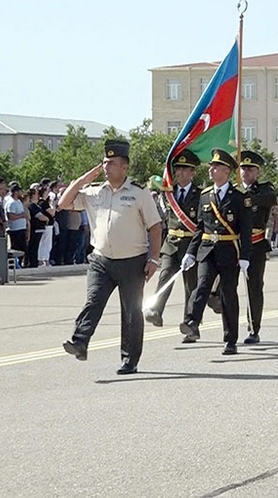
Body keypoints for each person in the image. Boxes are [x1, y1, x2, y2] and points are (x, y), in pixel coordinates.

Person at [59, 139, 162, 375]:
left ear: (125, 167)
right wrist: (82, 180)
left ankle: (130, 360)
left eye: (112, 163)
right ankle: (80, 342)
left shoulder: (138, 193)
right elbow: (64, 203)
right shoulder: (94, 191)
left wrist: (153, 259)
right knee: (93, 301)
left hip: (132, 261)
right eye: (105, 162)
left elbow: (155, 226)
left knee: (131, 312)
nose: (106, 166)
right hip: (101, 260)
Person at [179, 148, 252, 355]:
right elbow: (200, 228)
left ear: (227, 171)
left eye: (216, 166)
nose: (211, 169)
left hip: (230, 251)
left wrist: (245, 256)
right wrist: (191, 252)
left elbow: (245, 230)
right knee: (201, 287)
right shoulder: (205, 196)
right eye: (211, 166)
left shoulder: (240, 197)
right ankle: (192, 321)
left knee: (228, 294)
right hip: (207, 251)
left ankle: (230, 339)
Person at [143, 149, 201, 332]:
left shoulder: (200, 194)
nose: (180, 172)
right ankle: (156, 311)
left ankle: (190, 323)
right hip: (172, 243)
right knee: (165, 275)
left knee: (191, 286)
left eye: (185, 169)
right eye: (178, 169)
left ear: (193, 173)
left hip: (191, 244)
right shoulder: (169, 193)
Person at [237, 150, 277, 344]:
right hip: (233, 243)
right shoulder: (231, 189)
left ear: (257, 172)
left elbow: (271, 198)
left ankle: (254, 327)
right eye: (243, 168)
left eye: (250, 168)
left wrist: (246, 198)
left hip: (255, 244)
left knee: (254, 287)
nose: (246, 172)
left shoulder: (264, 190)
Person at [5, 185, 28, 257]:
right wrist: (21, 216)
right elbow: (10, 216)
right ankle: (15, 263)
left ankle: (20, 263)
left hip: (21, 228)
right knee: (16, 248)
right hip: (15, 229)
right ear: (15, 192)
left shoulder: (18, 201)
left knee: (23, 248)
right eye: (20, 191)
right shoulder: (11, 203)